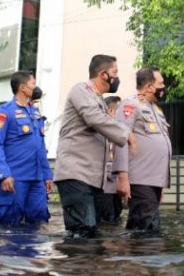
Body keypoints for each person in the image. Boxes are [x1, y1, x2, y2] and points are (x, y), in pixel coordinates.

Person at [55, 54, 137, 238]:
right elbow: (94, 118)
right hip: (75, 174)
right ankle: (74, 266)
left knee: (92, 233)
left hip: (91, 178)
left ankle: (87, 267)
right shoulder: (81, 90)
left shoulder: (98, 99)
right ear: (103, 74)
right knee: (83, 231)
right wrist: (126, 133)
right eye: (114, 72)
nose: (117, 77)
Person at [114, 67, 172, 232]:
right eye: (160, 83)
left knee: (146, 228)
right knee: (145, 230)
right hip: (140, 179)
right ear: (149, 87)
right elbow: (121, 140)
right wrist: (123, 176)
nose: (163, 87)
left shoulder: (156, 109)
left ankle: (136, 256)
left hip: (153, 181)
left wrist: (159, 186)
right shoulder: (130, 105)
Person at [0, 71, 53, 226]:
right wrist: (4, 174)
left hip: (37, 179)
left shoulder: (35, 112)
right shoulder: (5, 112)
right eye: (33, 84)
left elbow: (41, 145)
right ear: (23, 88)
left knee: (39, 221)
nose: (36, 88)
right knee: (10, 224)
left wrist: (47, 174)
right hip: (15, 178)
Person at [101, 95, 123, 224]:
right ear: (111, 112)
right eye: (119, 110)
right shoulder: (101, 129)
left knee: (117, 215)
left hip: (116, 184)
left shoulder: (118, 130)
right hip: (105, 186)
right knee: (107, 220)